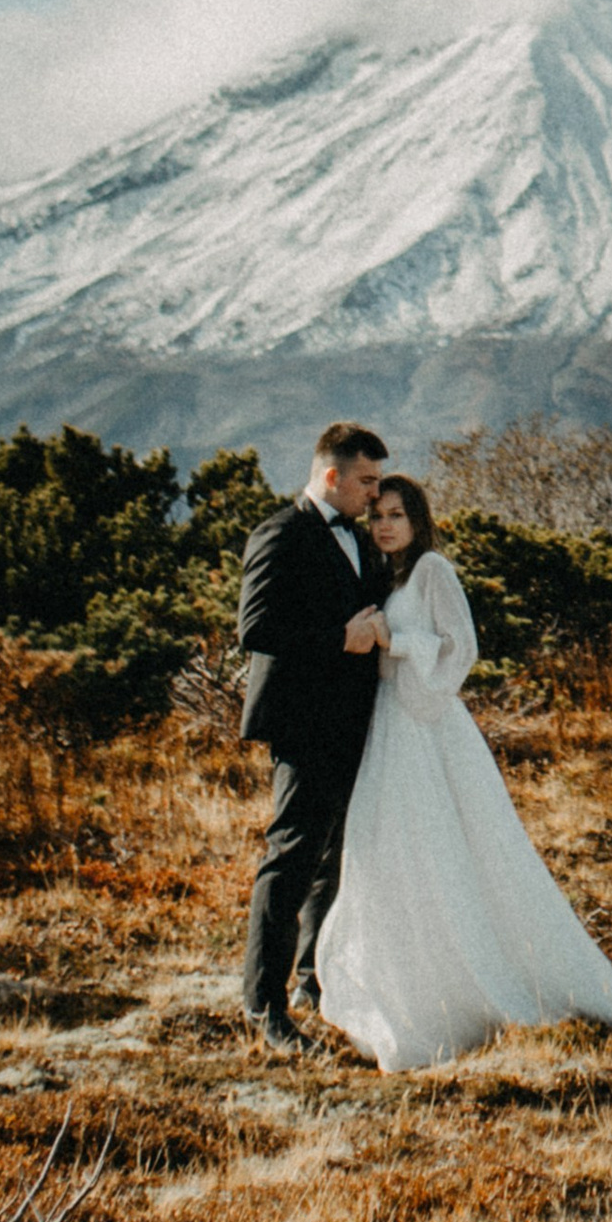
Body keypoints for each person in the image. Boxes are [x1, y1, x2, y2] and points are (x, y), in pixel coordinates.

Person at [314, 474, 612, 1070]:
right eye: (377, 516)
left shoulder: (432, 572)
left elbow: (461, 647)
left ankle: (472, 988)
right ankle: (408, 985)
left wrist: (396, 642)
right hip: (391, 726)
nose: (385, 525)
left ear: (418, 519)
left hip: (426, 725)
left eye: (397, 514)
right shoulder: (389, 575)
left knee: (443, 849)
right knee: (391, 853)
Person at [236, 421, 393, 1055]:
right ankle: (263, 1006)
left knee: (334, 860)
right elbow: (257, 629)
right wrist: (339, 639)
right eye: (365, 481)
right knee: (292, 858)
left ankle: (313, 982)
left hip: (356, 723)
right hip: (305, 724)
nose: (374, 494)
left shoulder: (359, 539)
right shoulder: (280, 533)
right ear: (331, 476)